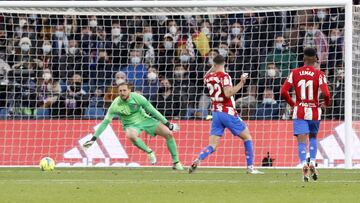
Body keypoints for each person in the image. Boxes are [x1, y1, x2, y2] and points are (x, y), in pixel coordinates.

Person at [82, 82, 184, 170]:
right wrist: (93, 139)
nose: (122, 93)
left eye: (124, 90)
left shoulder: (137, 97)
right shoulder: (115, 105)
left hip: (145, 120)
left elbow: (152, 110)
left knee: (168, 134)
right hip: (130, 125)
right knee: (130, 135)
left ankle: (176, 162)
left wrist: (168, 124)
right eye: (120, 91)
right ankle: (149, 151)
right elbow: (105, 123)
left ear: (129, 90)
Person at [188, 55, 263, 174]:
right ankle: (250, 168)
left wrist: (213, 66)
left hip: (216, 113)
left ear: (214, 64)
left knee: (212, 145)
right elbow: (228, 93)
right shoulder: (225, 76)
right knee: (247, 137)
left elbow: (206, 75)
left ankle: (198, 159)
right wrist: (241, 83)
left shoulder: (208, 77)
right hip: (227, 112)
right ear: (225, 63)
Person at [280, 47, 331, 182]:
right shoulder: (319, 74)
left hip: (300, 110)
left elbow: (283, 91)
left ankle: (304, 163)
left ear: (303, 58)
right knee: (313, 137)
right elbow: (326, 94)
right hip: (314, 110)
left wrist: (293, 104)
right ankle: (313, 161)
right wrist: (325, 103)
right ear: (315, 59)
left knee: (302, 141)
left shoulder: (294, 72)